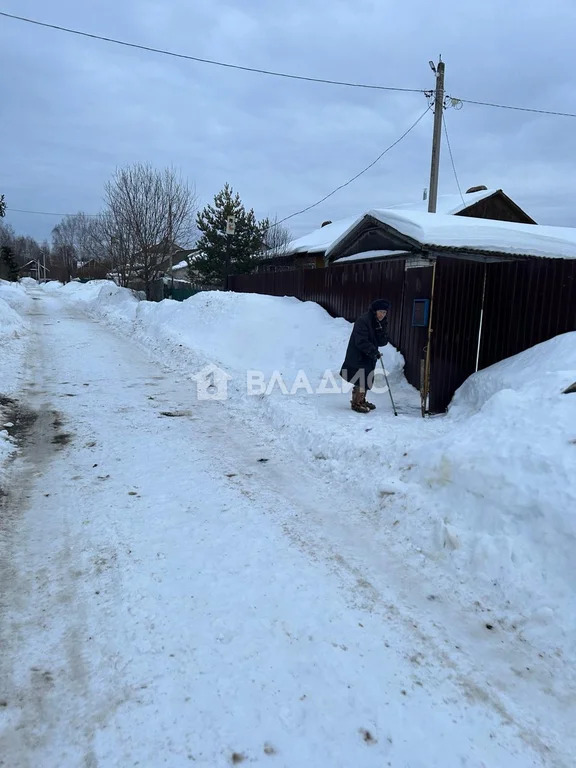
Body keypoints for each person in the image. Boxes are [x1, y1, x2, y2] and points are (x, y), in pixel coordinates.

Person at [340, 299, 390, 413]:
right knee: (361, 378)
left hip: (369, 354)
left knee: (367, 377)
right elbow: (361, 340)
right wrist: (373, 351)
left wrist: (382, 333)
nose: (383, 314)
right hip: (359, 354)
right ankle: (357, 403)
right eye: (381, 312)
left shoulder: (379, 322)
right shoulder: (363, 320)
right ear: (375, 311)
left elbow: (381, 341)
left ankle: (361, 400)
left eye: (385, 312)